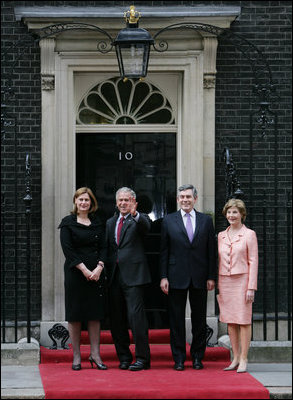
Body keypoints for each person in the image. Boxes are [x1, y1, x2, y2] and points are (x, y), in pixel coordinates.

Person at [160, 184, 217, 371]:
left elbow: (211, 251)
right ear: (178, 200)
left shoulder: (206, 221)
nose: (185, 200)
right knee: (176, 320)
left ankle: (197, 357)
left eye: (188, 197)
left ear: (195, 199)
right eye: (182, 197)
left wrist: (211, 276)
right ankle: (178, 358)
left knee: (199, 319)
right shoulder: (168, 220)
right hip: (176, 276)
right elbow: (164, 252)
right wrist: (163, 277)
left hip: (200, 277)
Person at [58, 187, 108, 371]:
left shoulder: (97, 222)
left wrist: (99, 268)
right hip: (76, 274)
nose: (84, 203)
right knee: (75, 315)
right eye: (80, 200)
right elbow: (68, 251)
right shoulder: (67, 223)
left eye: (87, 200)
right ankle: (77, 356)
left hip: (97, 274)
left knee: (95, 315)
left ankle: (95, 355)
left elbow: (104, 247)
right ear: (75, 202)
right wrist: (86, 270)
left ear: (91, 202)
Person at [105, 187, 151, 371]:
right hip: (114, 277)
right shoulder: (110, 222)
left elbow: (147, 227)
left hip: (134, 277)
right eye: (120, 200)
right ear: (116, 203)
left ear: (133, 202)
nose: (123, 203)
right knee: (117, 320)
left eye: (127, 200)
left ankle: (142, 359)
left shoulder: (139, 219)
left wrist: (137, 215)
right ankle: (124, 357)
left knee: (136, 318)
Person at [217, 198, 258, 373]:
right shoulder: (221, 235)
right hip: (225, 281)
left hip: (242, 281)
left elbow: (253, 261)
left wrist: (251, 287)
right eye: (229, 212)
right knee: (230, 321)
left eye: (235, 212)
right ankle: (234, 357)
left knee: (243, 320)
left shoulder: (249, 234)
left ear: (242, 214)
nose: (231, 215)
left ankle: (243, 358)